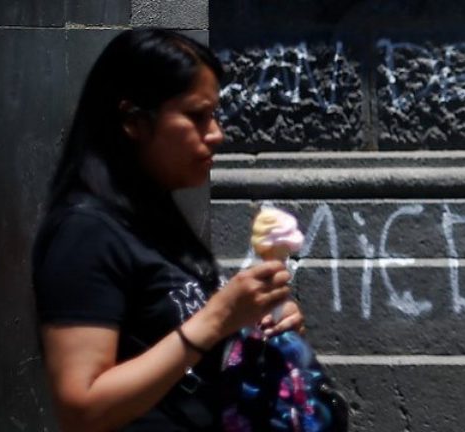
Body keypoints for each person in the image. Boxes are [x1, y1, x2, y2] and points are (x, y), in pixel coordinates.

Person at [32, 29, 305, 431]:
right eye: (197, 116)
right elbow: (82, 409)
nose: (215, 134)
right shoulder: (84, 233)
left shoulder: (153, 220)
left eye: (214, 115)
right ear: (134, 121)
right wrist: (217, 319)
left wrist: (259, 329)